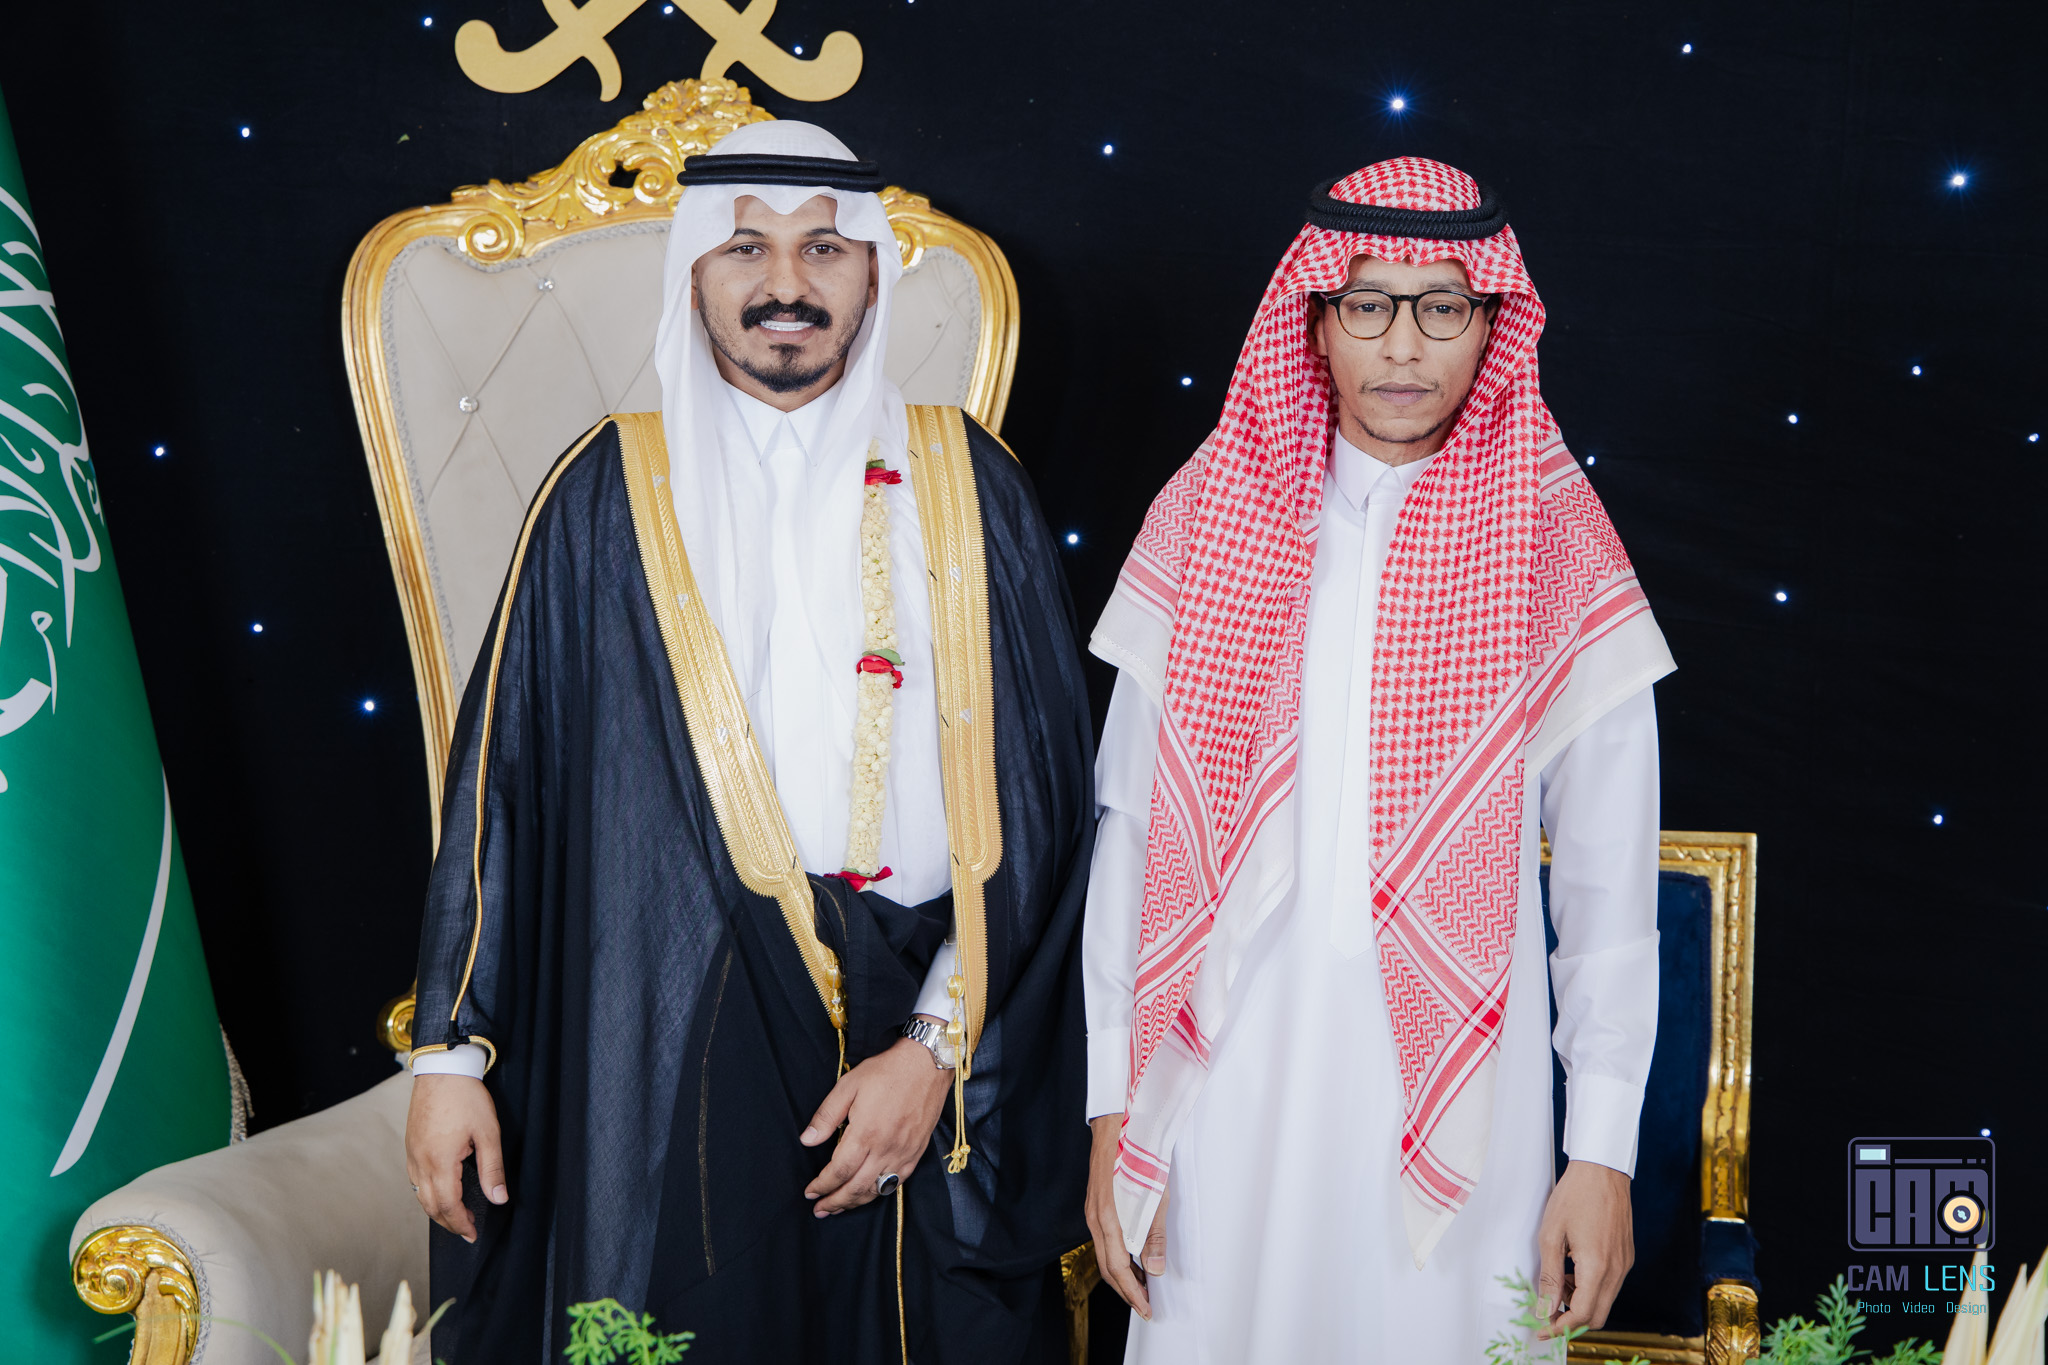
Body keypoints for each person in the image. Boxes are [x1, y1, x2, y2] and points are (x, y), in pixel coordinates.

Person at [401, 120, 1094, 1364]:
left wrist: (934, 1047)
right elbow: (503, 790)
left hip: (929, 1021)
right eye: (745, 250)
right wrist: (446, 1062)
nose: (786, 283)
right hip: (679, 1024)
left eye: (822, 247)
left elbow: (1040, 803)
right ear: (692, 275)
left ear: (870, 271)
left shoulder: (967, 482)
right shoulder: (601, 493)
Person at [1080, 157, 1675, 1360]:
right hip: (1221, 1087)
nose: (1402, 346)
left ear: (1491, 324)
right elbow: (1130, 839)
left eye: (1441, 307)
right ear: (1312, 319)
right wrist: (1111, 1112)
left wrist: (1600, 1152)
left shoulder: (1554, 544)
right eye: (1366, 304)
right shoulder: (1204, 516)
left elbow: (1606, 891)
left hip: (1464, 1104)